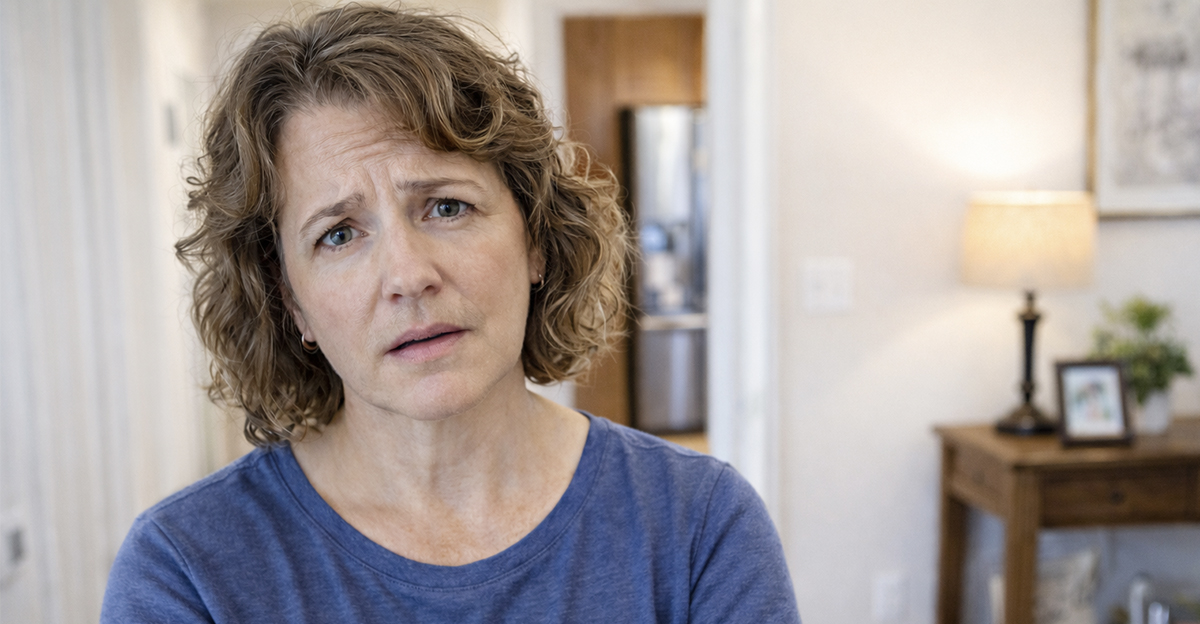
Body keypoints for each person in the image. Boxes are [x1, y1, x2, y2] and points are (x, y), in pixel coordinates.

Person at [101, 5, 800, 622]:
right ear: (291, 302)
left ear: (535, 237)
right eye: (338, 234)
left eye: (446, 206)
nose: (408, 275)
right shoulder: (187, 570)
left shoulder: (699, 525)